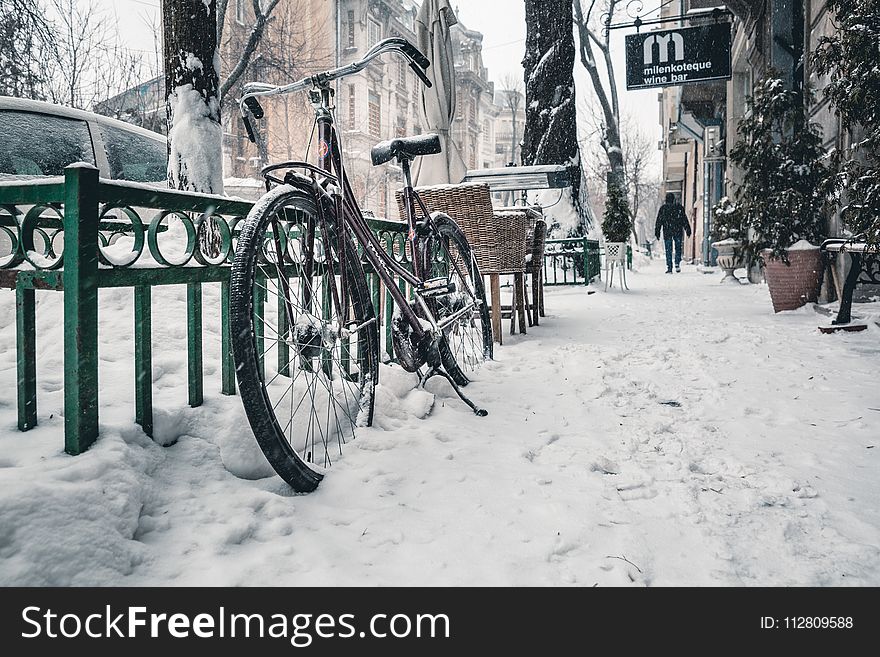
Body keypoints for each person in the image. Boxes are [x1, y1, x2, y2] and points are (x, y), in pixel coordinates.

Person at [654, 192, 692, 273]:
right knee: (678, 248)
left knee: (668, 250)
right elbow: (684, 219)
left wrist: (657, 232)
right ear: (673, 199)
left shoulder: (663, 208)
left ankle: (669, 267)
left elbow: (659, 221)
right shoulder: (679, 208)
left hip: (667, 231)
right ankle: (677, 263)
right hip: (677, 230)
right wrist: (687, 229)